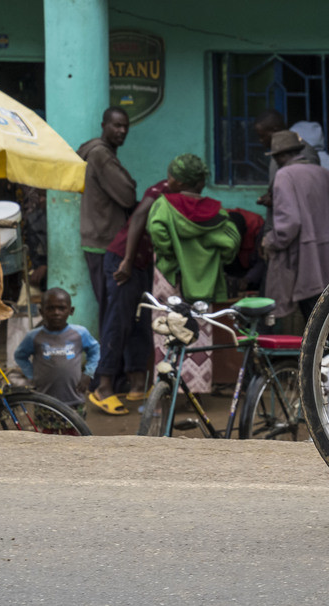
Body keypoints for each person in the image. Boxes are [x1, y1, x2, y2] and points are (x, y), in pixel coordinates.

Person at [88, 159, 178, 413]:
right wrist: (127, 261)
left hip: (141, 263)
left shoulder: (177, 193)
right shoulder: (163, 191)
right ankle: (103, 387)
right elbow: (138, 217)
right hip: (124, 261)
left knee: (140, 321)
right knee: (118, 322)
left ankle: (137, 384)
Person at [264, 129, 329, 322]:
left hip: (306, 259)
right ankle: (327, 350)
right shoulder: (324, 173)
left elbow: (289, 225)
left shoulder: (284, 175)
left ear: (280, 156)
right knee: (326, 317)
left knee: (312, 318)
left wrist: (270, 240)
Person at [147, 154, 240, 304]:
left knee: (171, 324)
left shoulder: (164, 206)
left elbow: (156, 230)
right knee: (203, 324)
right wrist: (215, 260)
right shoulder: (218, 212)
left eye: (169, 176)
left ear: (178, 181)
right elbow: (232, 241)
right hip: (208, 285)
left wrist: (172, 256)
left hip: (171, 280)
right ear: (201, 183)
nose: (167, 180)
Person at [76, 108, 136, 317]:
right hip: (104, 240)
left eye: (126, 126)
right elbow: (127, 196)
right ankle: (110, 350)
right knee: (113, 309)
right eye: (117, 125)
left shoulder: (102, 152)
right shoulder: (101, 155)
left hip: (98, 239)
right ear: (104, 126)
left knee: (109, 307)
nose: (122, 131)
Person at [13, 288, 99, 416]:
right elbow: (20, 356)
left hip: (74, 398)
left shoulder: (79, 334)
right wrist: (31, 375)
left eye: (61, 308)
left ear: (71, 311)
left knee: (75, 433)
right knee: (47, 435)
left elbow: (95, 349)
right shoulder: (34, 336)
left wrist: (88, 374)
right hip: (45, 400)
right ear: (42, 312)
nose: (56, 313)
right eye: (50, 308)